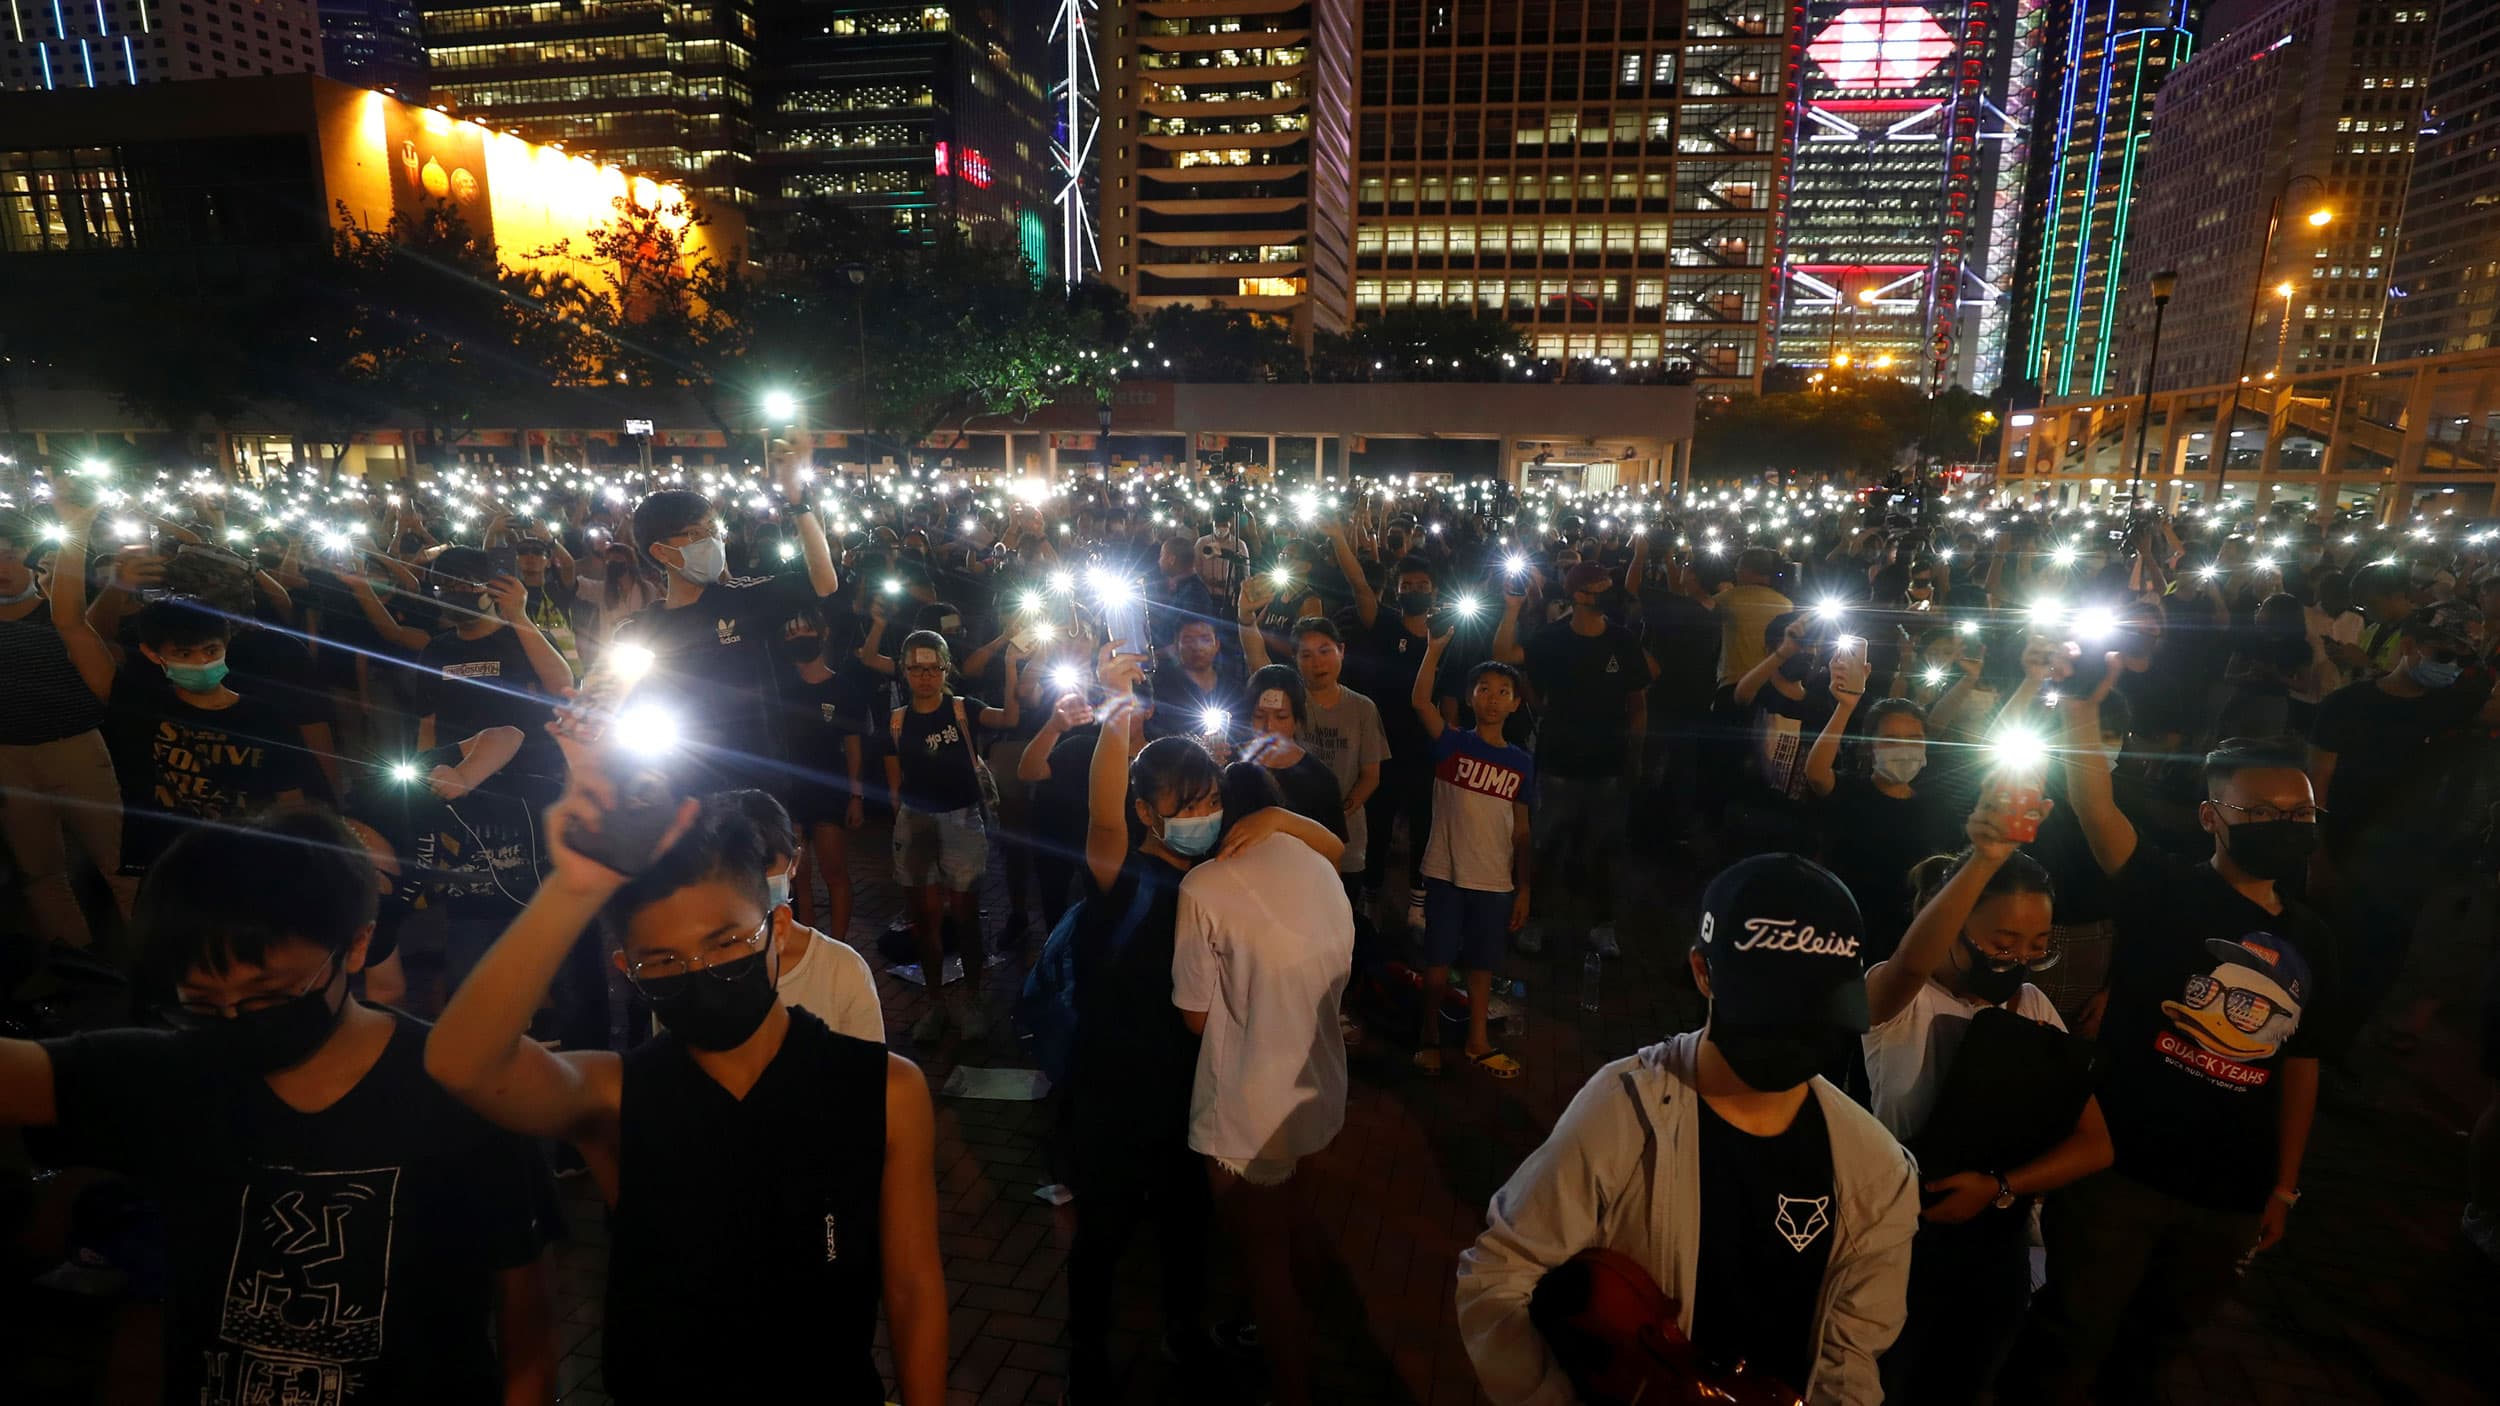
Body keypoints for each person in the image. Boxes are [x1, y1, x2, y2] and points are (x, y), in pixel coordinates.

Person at [423, 755, 948, 1406]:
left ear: (777, 930)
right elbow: (460, 1061)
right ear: (627, 970)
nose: (699, 970)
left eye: (727, 943)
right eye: (663, 961)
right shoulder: (614, 1096)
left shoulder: (883, 1090)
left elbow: (913, 1287)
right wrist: (574, 887)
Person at [1, 807, 559, 1403]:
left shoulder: (458, 1088)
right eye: (204, 1003)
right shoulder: (169, 1073)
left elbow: (526, 1318)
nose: (238, 1022)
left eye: (269, 995)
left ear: (356, 945)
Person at [1455, 852, 1918, 1406]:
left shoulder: (1876, 1173)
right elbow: (1498, 1275)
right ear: (1703, 972)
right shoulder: (1624, 1112)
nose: (1794, 1039)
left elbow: (1849, 1363)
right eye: (1772, 1012)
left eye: (1815, 1015)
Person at [1999, 660, 2333, 1404]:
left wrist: (2282, 1187)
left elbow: (2301, 1063)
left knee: (2157, 1346)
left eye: (2299, 815)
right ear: (2212, 816)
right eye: (2261, 813)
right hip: (2122, 1170)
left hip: (2231, 1193)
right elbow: (2095, 806)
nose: (2285, 828)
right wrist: (2081, 711)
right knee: (2069, 1333)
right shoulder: (2166, 889)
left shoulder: (2315, 938)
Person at [1063, 650, 1346, 1404]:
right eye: (1179, 806)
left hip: (1194, 1079)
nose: (1198, 816)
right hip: (1116, 1081)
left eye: (1206, 800)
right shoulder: (1118, 870)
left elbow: (1331, 852)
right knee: (1106, 1225)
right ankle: (1084, 1349)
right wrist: (1116, 708)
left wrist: (1283, 814)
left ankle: (1184, 1331)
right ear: (1145, 810)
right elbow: (1099, 812)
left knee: (1188, 1222)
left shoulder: (1220, 864)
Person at [1862, 812, 2113, 1405]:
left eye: (2037, 947)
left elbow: (2096, 1143)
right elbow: (1911, 963)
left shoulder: (2034, 1009)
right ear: (1952, 921)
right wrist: (1985, 858)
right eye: (2002, 943)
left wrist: (2001, 1187)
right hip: (1895, 1237)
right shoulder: (1898, 996)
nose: (2018, 959)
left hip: (1991, 1251)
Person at [1172, 760, 1359, 1406]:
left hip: (1246, 1105)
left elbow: (1195, 1017)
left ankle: (1291, 1383)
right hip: (1319, 1083)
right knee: (1293, 1226)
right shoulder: (1319, 869)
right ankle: (1306, 1339)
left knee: (1261, 1260)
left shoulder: (1204, 887)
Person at [615, 480, 842, 796]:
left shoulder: (742, 599)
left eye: (713, 529)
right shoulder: (638, 631)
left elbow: (824, 582)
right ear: (660, 551)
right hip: (678, 786)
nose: (710, 540)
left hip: (756, 782)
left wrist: (799, 505)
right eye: (695, 533)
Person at [1494, 561, 1653, 956]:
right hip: (1559, 763)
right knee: (1547, 845)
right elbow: (1506, 655)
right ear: (1578, 595)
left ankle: (1602, 923)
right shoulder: (1551, 639)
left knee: (1605, 848)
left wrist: (1636, 753)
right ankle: (1535, 919)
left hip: (1608, 765)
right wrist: (1512, 609)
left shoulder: (1622, 641)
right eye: (1599, 588)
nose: (1607, 595)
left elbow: (1638, 703)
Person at [883, 627, 1024, 1043]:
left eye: (932, 667)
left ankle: (973, 998)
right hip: (917, 820)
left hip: (961, 817)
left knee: (964, 915)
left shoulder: (962, 709)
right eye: (915, 668)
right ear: (905, 672)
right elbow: (894, 786)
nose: (924, 676)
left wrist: (1012, 666)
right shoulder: (897, 721)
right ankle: (936, 1002)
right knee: (924, 919)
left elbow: (1010, 719)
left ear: (945, 669)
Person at [0, 503, 127, 953]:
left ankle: (156, 965)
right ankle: (75, 962)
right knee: (41, 872)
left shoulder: (58, 618)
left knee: (119, 864)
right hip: (9, 759)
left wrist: (79, 524)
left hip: (74, 749)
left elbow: (72, 616)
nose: (4, 567)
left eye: (14, 555)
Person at [1408, 625, 1532, 1078]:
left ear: (1516, 703)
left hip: (1495, 880)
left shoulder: (1521, 762)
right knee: (1437, 964)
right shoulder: (1453, 743)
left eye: (1504, 691)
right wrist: (1434, 650)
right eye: (1485, 689)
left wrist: (1524, 887)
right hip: (1444, 871)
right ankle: (1429, 1035)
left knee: (1483, 964)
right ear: (1471, 696)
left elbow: (1521, 830)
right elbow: (1421, 701)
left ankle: (1478, 1039)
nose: (1494, 698)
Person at [1804, 655, 1955, 960]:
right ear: (1869, 746)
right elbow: (1816, 773)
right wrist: (1845, 706)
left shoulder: (1938, 809)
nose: (1904, 749)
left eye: (1914, 739)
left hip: (1907, 941)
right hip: (1842, 933)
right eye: (1890, 740)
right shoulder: (1850, 791)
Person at [718, 788, 885, 1042]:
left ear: (794, 863)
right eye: (735, 869)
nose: (750, 883)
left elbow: (868, 1077)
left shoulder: (842, 970)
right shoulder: (694, 971)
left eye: (763, 865)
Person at [1238, 611, 1386, 891]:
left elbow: (1370, 775)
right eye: (1306, 655)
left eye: (1324, 651)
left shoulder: (1362, 708)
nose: (1317, 662)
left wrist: (1336, 811)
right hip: (1281, 840)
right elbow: (1257, 662)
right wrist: (1246, 620)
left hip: (1347, 835)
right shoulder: (1287, 701)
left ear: (1341, 651)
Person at [1237, 663, 1348, 837]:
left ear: (1297, 719)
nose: (1269, 726)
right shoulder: (1229, 764)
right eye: (1259, 716)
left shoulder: (1320, 779)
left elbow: (1332, 849)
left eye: (1281, 717)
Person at [1712, 544, 1795, 683]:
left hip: (1734, 680)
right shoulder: (1787, 604)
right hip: (1770, 681)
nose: (1736, 572)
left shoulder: (1727, 599)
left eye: (1738, 569)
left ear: (1746, 571)